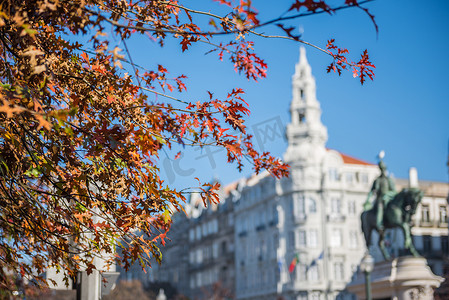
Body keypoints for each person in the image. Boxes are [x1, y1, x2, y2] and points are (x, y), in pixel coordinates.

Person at [364, 159, 396, 230]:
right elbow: (371, 192)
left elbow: (394, 191)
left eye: (383, 169)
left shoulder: (388, 180)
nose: (383, 171)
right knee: (379, 207)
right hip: (379, 200)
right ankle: (379, 225)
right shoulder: (377, 180)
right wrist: (367, 200)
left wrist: (387, 195)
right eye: (381, 169)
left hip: (388, 200)